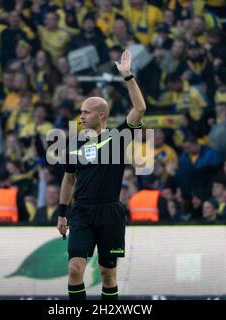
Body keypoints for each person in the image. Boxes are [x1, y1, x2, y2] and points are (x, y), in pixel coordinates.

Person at [56, 50, 146, 300]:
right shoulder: (73, 143)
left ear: (101, 116)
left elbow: (140, 107)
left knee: (108, 274)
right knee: (75, 269)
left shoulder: (117, 139)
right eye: (81, 112)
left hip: (109, 212)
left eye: (86, 112)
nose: (81, 116)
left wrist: (128, 77)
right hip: (82, 211)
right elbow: (69, 178)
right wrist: (62, 213)